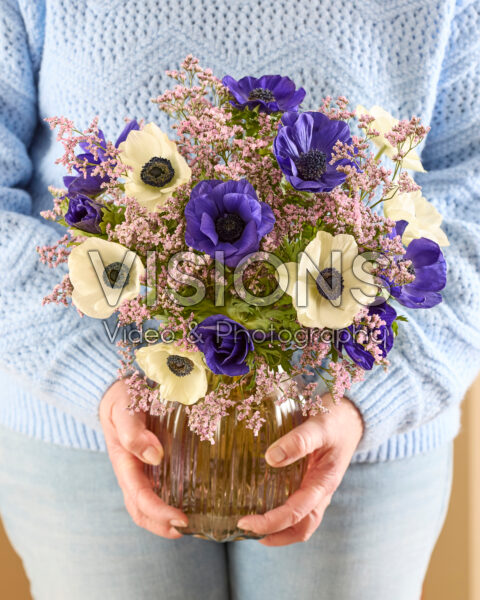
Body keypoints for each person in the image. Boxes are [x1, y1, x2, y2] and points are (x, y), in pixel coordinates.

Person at [0, 1, 478, 598]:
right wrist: (96, 376)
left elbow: (472, 193)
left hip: (362, 450)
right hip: (79, 437)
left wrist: (372, 395)